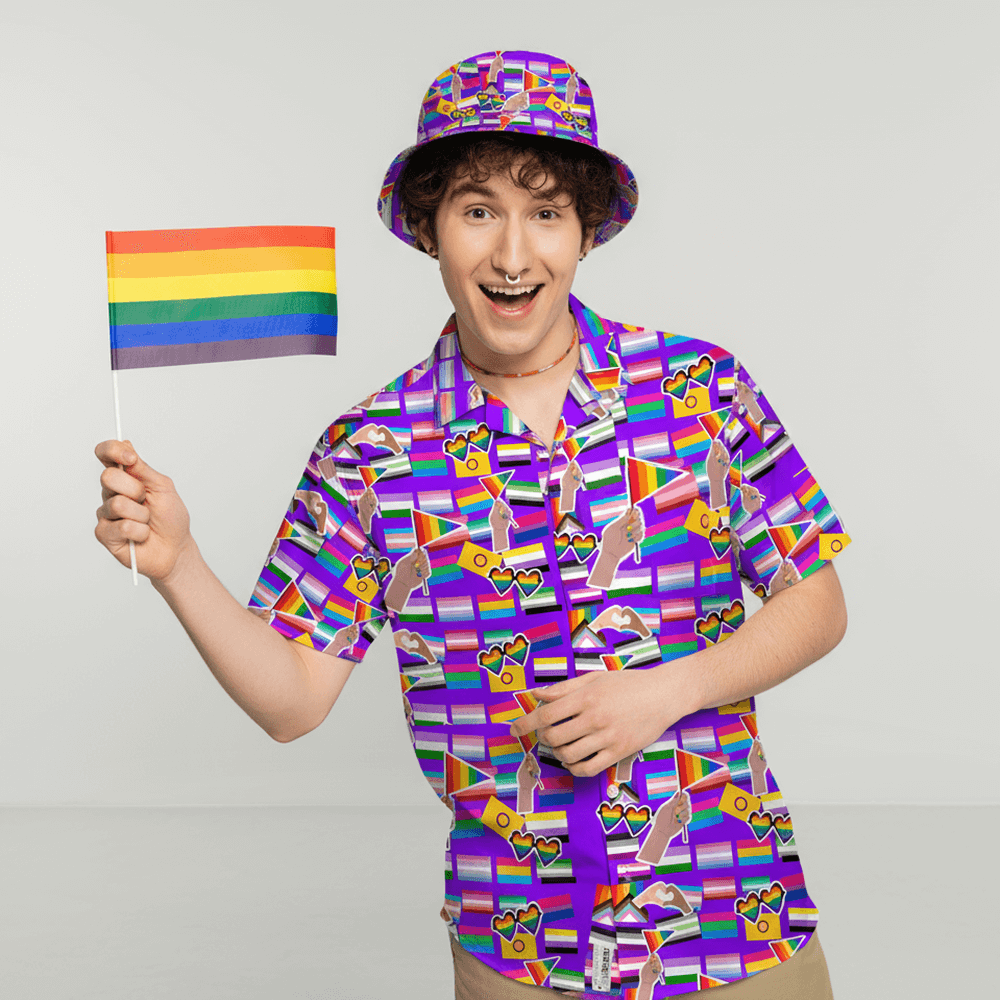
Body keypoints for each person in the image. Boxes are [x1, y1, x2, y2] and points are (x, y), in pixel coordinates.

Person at [94, 50, 848, 999]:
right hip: (520, 944)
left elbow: (818, 603)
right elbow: (292, 700)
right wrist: (177, 564)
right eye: (479, 211)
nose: (513, 255)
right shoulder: (371, 451)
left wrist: (667, 691)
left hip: (738, 922)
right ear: (430, 229)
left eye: (547, 213)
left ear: (584, 233)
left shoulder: (700, 389)